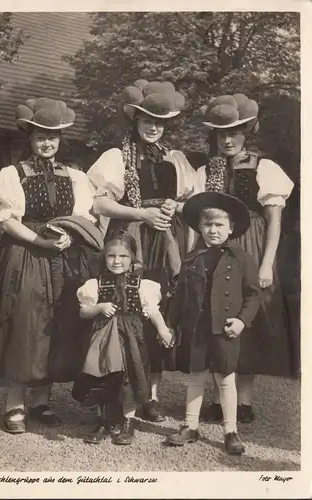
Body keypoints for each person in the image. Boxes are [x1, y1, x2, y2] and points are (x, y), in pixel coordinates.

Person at [0, 97, 100, 434]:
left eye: (53, 138)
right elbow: (7, 221)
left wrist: (70, 238)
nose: (47, 143)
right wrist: (40, 242)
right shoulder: (13, 174)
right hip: (26, 253)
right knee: (26, 322)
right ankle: (15, 405)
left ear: (60, 140)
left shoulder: (75, 176)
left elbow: (82, 217)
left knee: (57, 321)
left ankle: (41, 402)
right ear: (30, 140)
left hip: (64, 255)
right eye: (40, 138)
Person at [87, 79, 197, 422]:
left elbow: (189, 202)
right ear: (134, 120)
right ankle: (117, 393)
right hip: (130, 239)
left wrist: (172, 208)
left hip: (164, 240)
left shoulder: (174, 158)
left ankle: (149, 396)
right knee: (123, 310)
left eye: (160, 122)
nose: (153, 127)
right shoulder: (117, 156)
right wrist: (140, 213)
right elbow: (99, 203)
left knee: (157, 309)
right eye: (147, 120)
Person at [194, 94, 294, 423]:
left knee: (248, 318)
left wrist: (266, 263)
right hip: (214, 249)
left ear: (245, 134)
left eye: (234, 133)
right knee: (215, 315)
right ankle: (219, 397)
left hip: (250, 247)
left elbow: (274, 221)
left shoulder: (263, 167)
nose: (228, 139)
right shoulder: (206, 171)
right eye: (222, 134)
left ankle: (245, 401)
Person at [166, 192, 260, 455]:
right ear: (200, 228)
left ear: (231, 229)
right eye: (207, 225)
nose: (213, 230)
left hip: (225, 329)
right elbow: (180, 296)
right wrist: (171, 325)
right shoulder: (192, 259)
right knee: (196, 377)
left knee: (226, 379)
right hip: (197, 328)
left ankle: (231, 431)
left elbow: (254, 294)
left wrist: (242, 321)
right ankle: (190, 426)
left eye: (219, 225)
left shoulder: (241, 258)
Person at [72, 231, 174, 445]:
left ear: (132, 258)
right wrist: (99, 307)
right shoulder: (95, 284)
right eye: (111, 256)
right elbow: (83, 312)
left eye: (123, 256)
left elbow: (152, 310)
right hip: (103, 339)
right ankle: (105, 421)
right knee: (103, 377)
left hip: (131, 339)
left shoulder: (142, 285)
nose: (117, 261)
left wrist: (163, 329)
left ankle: (128, 421)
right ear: (104, 257)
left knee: (130, 377)